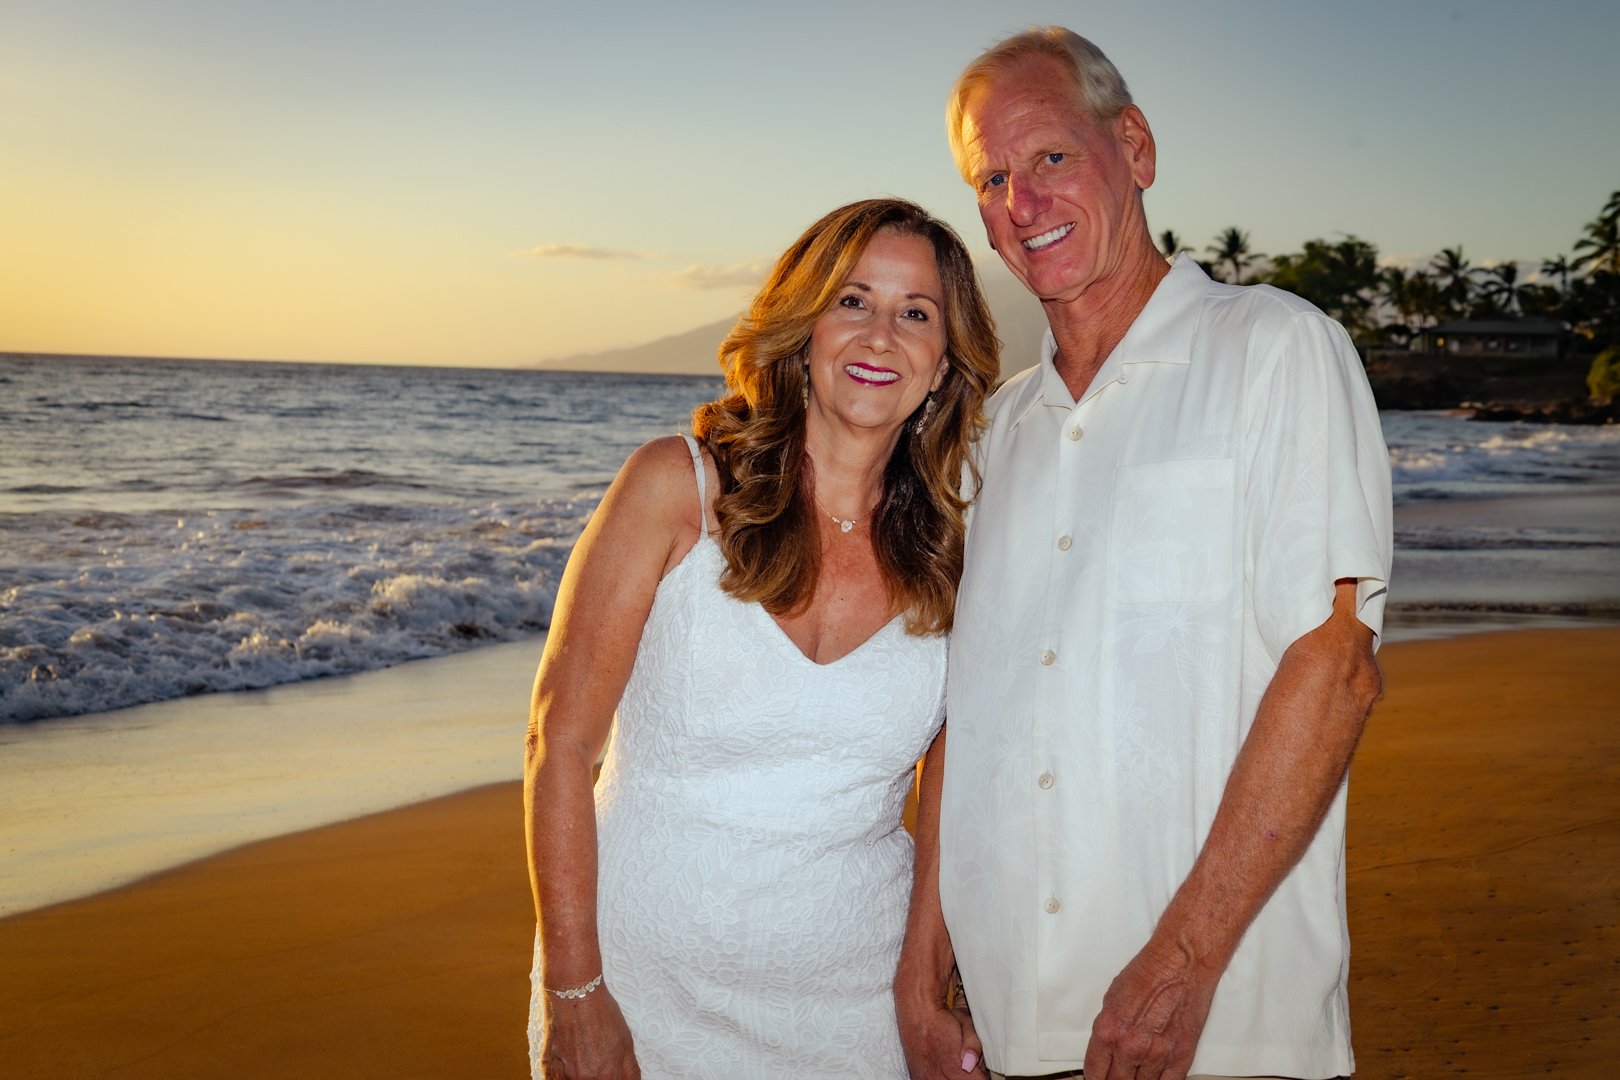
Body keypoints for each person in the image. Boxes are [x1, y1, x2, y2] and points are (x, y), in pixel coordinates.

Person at [896, 28, 1393, 1080]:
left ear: (1136, 147)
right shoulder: (993, 433)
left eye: (1051, 158)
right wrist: (919, 958)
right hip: (1012, 1031)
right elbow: (970, 716)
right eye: (990, 178)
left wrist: (1183, 962)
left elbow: (1334, 668)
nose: (1021, 202)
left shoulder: (1275, 350)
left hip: (1221, 1031)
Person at [525, 197, 1000, 1079]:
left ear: (941, 365)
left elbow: (948, 794)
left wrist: (928, 986)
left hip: (857, 1011)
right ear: (804, 327)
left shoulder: (959, 543)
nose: (879, 335)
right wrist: (575, 991)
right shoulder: (678, 486)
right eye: (852, 301)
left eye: (916, 314)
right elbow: (559, 742)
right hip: (636, 993)